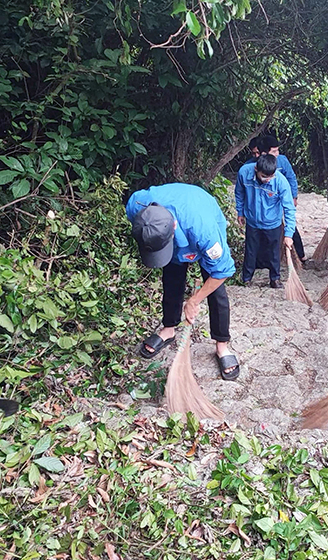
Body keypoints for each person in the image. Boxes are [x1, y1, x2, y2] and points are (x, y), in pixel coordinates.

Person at [126, 183, 240, 380]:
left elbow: (222, 272)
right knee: (171, 278)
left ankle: (222, 345)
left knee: (215, 290)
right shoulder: (137, 207)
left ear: (174, 228)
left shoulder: (204, 232)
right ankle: (168, 329)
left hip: (199, 215)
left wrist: (194, 300)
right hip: (172, 229)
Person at [234, 153, 296, 288]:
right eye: (264, 176)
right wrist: (240, 212)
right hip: (252, 221)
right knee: (250, 250)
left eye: (271, 176)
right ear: (256, 169)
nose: (268, 179)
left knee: (274, 252)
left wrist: (288, 234)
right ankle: (246, 279)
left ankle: (275, 279)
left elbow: (289, 209)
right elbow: (239, 193)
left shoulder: (281, 181)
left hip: (273, 223)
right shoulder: (244, 173)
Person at [258, 135, 306, 262]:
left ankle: (301, 255)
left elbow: (291, 177)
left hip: (282, 200)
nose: (277, 154)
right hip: (267, 206)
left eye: (277, 150)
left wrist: (293, 196)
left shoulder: (282, 161)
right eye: (274, 151)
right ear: (264, 153)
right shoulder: (257, 164)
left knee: (290, 227)